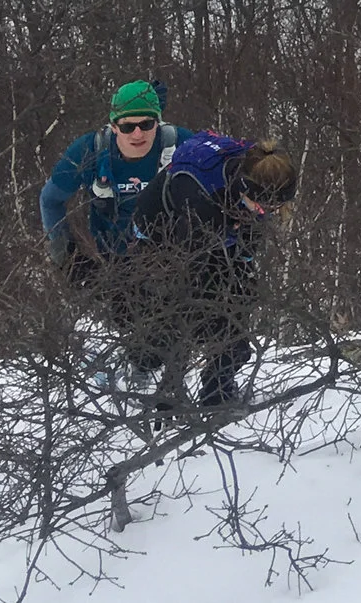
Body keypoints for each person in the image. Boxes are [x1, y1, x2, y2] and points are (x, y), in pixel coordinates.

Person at [135, 134, 300, 409]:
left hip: (218, 231)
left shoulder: (258, 179)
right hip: (163, 236)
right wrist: (171, 388)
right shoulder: (201, 197)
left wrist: (245, 269)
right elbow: (185, 293)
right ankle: (147, 372)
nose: (266, 212)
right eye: (261, 205)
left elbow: (245, 251)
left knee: (237, 324)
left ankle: (217, 393)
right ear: (244, 189)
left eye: (274, 207)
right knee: (174, 323)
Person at [40, 81, 178, 387]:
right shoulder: (90, 150)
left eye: (146, 124)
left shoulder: (179, 145)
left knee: (170, 326)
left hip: (170, 255)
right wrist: (64, 252)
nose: (137, 134)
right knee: (125, 319)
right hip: (114, 254)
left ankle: (166, 382)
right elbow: (50, 200)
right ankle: (124, 379)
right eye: (127, 127)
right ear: (114, 126)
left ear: (158, 122)